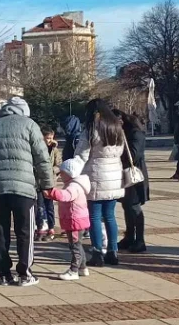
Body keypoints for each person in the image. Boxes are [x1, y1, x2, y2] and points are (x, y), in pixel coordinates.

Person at [0, 97, 53, 287]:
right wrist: (47, 184)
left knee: (0, 230)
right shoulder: (30, 125)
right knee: (25, 230)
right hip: (24, 188)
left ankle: (3, 274)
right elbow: (42, 158)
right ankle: (25, 273)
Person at [74, 99, 125, 267]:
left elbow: (82, 154)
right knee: (110, 216)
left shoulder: (91, 128)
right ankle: (113, 251)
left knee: (95, 216)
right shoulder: (117, 127)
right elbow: (122, 151)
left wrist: (71, 172)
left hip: (95, 175)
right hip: (114, 176)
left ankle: (97, 252)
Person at [45, 158, 90, 280]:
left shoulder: (73, 186)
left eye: (62, 173)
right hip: (75, 220)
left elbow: (65, 196)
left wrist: (51, 192)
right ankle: (83, 267)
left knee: (75, 246)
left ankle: (74, 270)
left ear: (70, 173)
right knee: (77, 244)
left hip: (75, 221)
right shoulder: (73, 184)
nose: (60, 175)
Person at [113, 110, 150, 253]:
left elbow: (133, 155)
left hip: (135, 176)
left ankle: (140, 240)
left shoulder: (135, 133)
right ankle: (129, 236)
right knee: (127, 206)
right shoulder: (124, 133)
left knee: (134, 207)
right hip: (125, 175)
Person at [35, 126, 62, 241]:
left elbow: (59, 164)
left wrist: (52, 170)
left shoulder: (55, 150)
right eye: (47, 138)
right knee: (39, 207)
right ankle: (40, 227)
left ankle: (51, 228)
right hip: (38, 182)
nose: (49, 141)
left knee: (49, 207)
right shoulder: (37, 149)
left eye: (51, 138)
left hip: (50, 182)